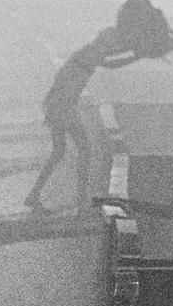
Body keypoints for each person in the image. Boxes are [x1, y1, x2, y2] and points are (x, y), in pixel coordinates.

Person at [24, 29, 140, 212]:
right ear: (105, 42)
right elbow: (111, 63)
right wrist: (136, 54)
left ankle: (35, 194)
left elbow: (111, 56)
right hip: (64, 106)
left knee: (59, 151)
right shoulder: (92, 54)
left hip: (56, 104)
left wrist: (134, 51)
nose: (112, 46)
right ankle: (81, 199)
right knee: (84, 148)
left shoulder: (89, 51)